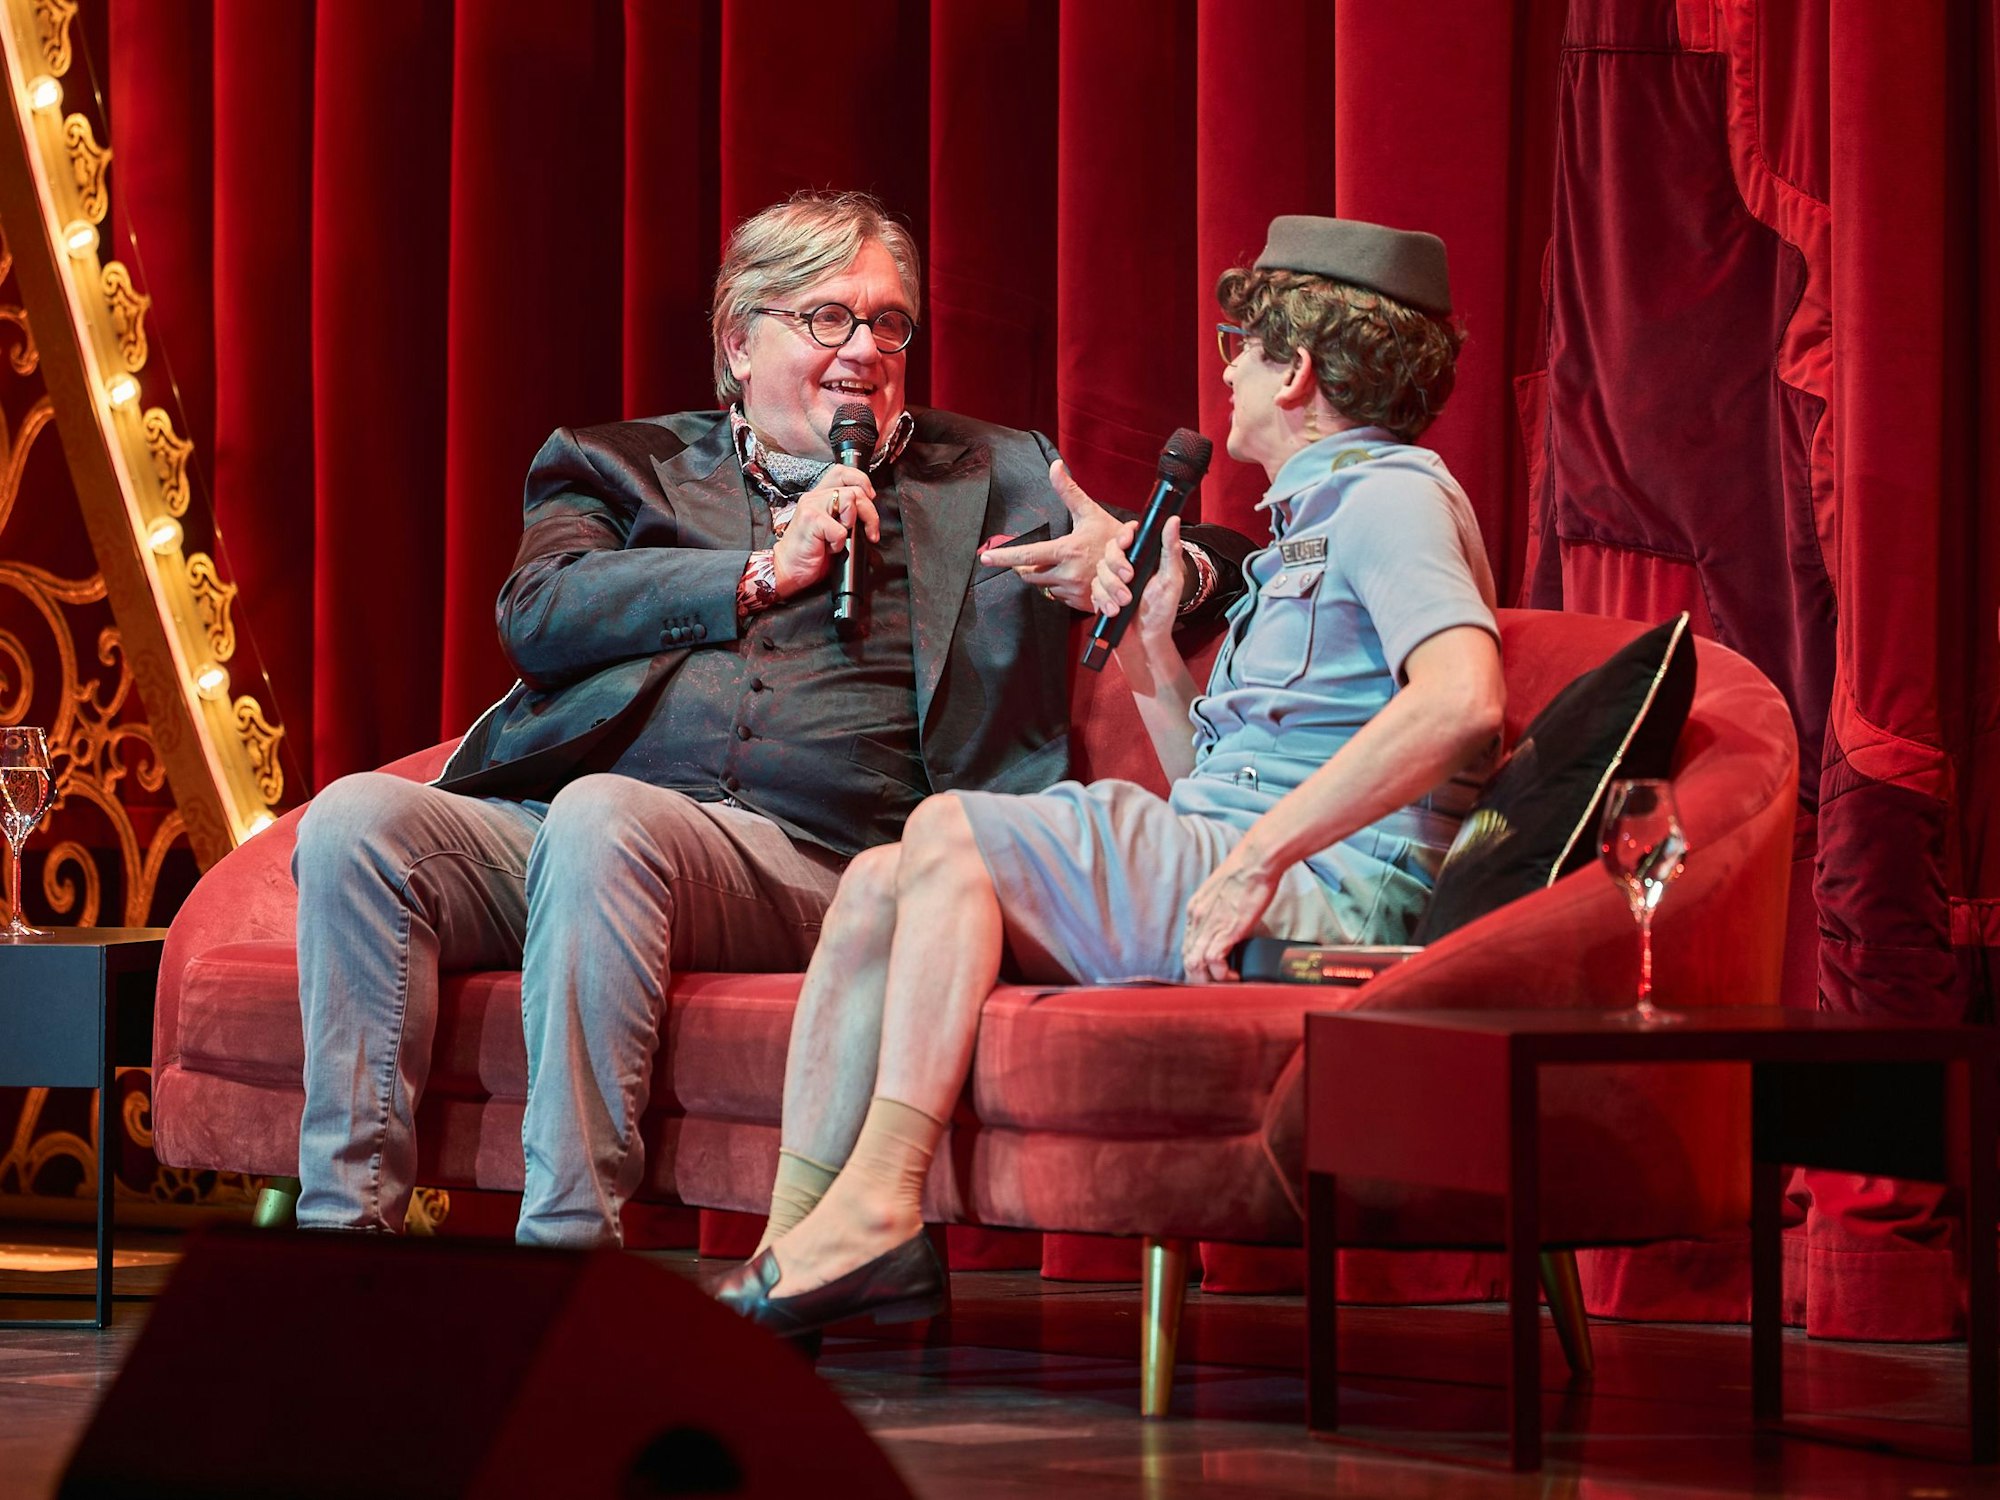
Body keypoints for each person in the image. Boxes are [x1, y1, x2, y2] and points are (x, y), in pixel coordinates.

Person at [289, 190, 1249, 1244]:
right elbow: (539, 611)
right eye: (825, 317)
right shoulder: (619, 464)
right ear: (738, 342)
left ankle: (566, 1257)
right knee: (355, 822)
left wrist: (1159, 560)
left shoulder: (991, 471)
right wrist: (755, 572)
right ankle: (343, 1248)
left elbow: (1221, 558)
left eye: (888, 324)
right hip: (562, 836)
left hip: (820, 859)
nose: (864, 351)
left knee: (608, 820)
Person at [715, 215, 1506, 1337]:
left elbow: (1463, 697)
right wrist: (1149, 632)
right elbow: (1211, 780)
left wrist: (1258, 856)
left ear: (1302, 370)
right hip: (1240, 856)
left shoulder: (1390, 498)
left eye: (1244, 341)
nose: (1225, 365)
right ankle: (794, 1241)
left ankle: (885, 1210)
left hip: (1332, 892)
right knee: (883, 880)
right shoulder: (1300, 532)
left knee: (949, 831)